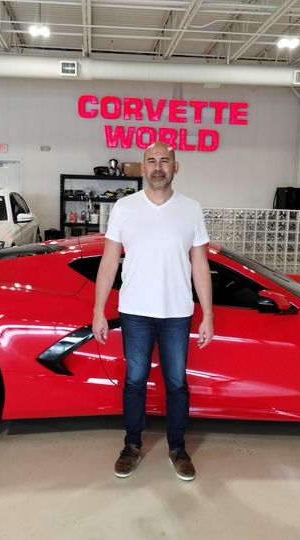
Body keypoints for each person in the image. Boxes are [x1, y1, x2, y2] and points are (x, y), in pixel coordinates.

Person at [92, 141, 214, 481]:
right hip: (135, 312)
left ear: (176, 167)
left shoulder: (191, 208)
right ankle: (132, 445)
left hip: (177, 312)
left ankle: (177, 447)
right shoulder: (124, 208)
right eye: (151, 161)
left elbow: (200, 264)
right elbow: (108, 261)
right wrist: (98, 310)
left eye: (165, 161)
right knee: (134, 381)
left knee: (176, 383)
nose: (158, 166)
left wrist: (208, 313)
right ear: (142, 168)